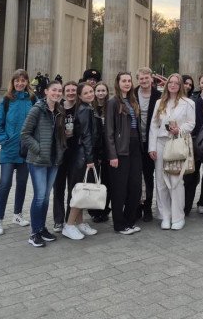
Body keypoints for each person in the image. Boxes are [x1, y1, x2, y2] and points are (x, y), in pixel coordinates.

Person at [20, 80, 66, 247]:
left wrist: (61, 147)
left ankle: (41, 228)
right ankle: (34, 233)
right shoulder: (37, 110)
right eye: (54, 90)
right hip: (38, 160)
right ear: (46, 91)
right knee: (39, 197)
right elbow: (25, 134)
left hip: (54, 160)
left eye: (59, 91)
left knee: (46, 197)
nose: (57, 93)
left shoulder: (59, 110)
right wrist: (38, 148)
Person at [149, 74, 196, 230]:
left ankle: (178, 216)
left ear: (181, 86)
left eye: (177, 83)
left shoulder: (188, 103)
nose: (173, 85)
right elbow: (154, 126)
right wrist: (152, 147)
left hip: (176, 143)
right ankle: (164, 215)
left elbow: (191, 123)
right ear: (167, 84)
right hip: (161, 142)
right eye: (171, 83)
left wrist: (179, 130)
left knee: (176, 180)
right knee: (161, 182)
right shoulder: (159, 103)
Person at [0, 69, 35, 235]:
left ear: (27, 82)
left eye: (23, 81)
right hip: (9, 151)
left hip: (26, 151)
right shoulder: (6, 100)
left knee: (22, 183)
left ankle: (17, 214)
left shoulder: (32, 99)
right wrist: (4, 140)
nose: (20, 83)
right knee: (5, 184)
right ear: (13, 82)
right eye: (17, 81)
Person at [52, 81, 94, 233]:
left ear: (77, 93)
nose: (70, 92)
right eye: (67, 90)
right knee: (58, 187)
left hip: (75, 153)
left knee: (74, 188)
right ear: (63, 92)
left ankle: (72, 220)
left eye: (73, 90)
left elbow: (85, 134)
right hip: (60, 153)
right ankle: (58, 220)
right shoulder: (58, 107)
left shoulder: (81, 108)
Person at [105, 72, 144, 235]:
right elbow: (109, 131)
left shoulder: (133, 101)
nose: (127, 83)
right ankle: (119, 224)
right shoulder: (113, 102)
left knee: (135, 186)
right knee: (120, 188)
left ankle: (130, 220)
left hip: (135, 147)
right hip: (121, 149)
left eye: (129, 81)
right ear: (118, 83)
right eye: (124, 81)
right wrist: (112, 155)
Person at [61, 83, 99, 241]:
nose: (90, 94)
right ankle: (69, 225)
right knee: (79, 192)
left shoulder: (86, 108)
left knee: (82, 191)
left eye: (91, 91)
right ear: (80, 96)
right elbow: (86, 135)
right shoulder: (84, 110)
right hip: (82, 156)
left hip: (82, 155)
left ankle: (80, 223)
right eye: (86, 93)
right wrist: (90, 159)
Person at [134, 67, 161, 222]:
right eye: (141, 78)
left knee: (149, 176)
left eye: (146, 78)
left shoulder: (158, 96)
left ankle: (148, 208)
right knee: (136, 176)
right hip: (135, 142)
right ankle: (137, 206)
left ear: (151, 78)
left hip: (151, 142)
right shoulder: (132, 94)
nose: (144, 81)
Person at [185, 73, 203, 215]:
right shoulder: (193, 99)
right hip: (195, 141)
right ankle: (187, 205)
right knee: (192, 174)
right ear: (199, 84)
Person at [89, 81, 111, 223]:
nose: (101, 93)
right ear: (94, 92)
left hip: (108, 148)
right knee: (94, 180)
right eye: (98, 91)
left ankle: (104, 209)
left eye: (103, 90)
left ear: (107, 92)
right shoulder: (90, 108)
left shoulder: (111, 106)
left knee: (107, 181)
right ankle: (94, 210)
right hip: (95, 149)